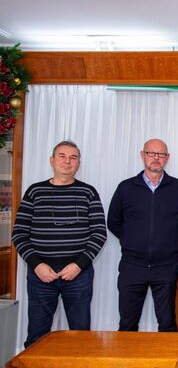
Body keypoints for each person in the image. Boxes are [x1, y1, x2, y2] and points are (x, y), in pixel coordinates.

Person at [12, 140, 107, 347]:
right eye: (62, 156)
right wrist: (37, 265)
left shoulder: (88, 192)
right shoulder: (34, 192)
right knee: (37, 336)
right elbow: (19, 233)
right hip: (41, 275)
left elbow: (99, 233)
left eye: (73, 157)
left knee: (81, 335)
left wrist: (77, 265)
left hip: (78, 275)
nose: (67, 161)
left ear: (79, 163)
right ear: (52, 160)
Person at [107, 138, 178, 332]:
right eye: (151, 153)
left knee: (168, 323)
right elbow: (113, 221)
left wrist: (167, 242)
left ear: (167, 158)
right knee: (127, 324)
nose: (156, 158)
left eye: (161, 154)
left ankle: (170, 364)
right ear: (142, 155)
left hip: (166, 267)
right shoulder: (126, 187)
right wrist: (131, 240)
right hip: (132, 266)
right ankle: (128, 364)